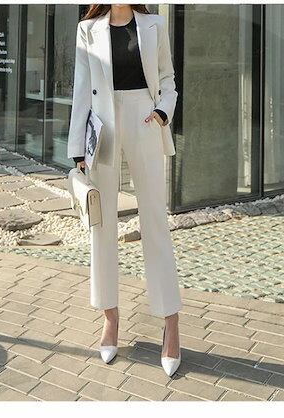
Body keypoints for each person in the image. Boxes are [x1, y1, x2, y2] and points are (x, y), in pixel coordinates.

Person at [67, 4, 182, 377]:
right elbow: (82, 88)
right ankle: (110, 317)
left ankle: (171, 322)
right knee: (102, 224)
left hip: (145, 119)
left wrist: (163, 111)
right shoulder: (88, 30)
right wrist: (77, 149)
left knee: (154, 221)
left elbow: (167, 77)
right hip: (102, 125)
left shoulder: (154, 25)